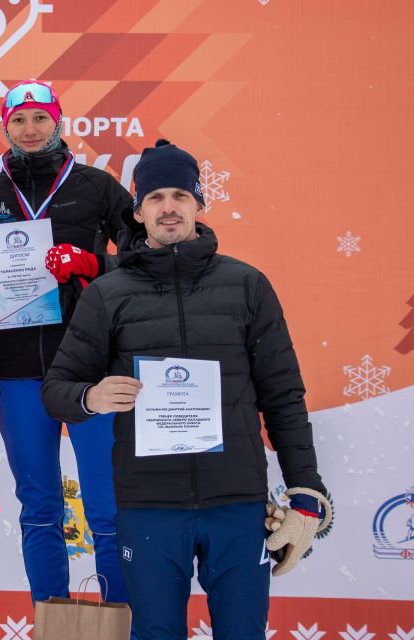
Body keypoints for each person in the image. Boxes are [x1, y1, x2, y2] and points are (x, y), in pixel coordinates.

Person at [41, 140, 332, 639]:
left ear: (199, 203)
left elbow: (282, 394)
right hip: (148, 505)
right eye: (156, 197)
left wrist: (307, 490)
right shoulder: (109, 294)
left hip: (237, 502)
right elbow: (57, 390)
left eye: (180, 195)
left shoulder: (247, 285)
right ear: (138, 211)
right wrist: (92, 397)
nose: (169, 207)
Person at [0, 80, 132, 606]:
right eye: (19, 120)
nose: (30, 130)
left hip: (90, 369)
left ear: (59, 122)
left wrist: (93, 265)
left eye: (40, 118)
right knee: (38, 506)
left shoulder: (97, 186)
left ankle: (116, 618)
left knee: (106, 508)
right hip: (18, 373)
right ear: (5, 126)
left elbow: (147, 254)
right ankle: (52, 617)